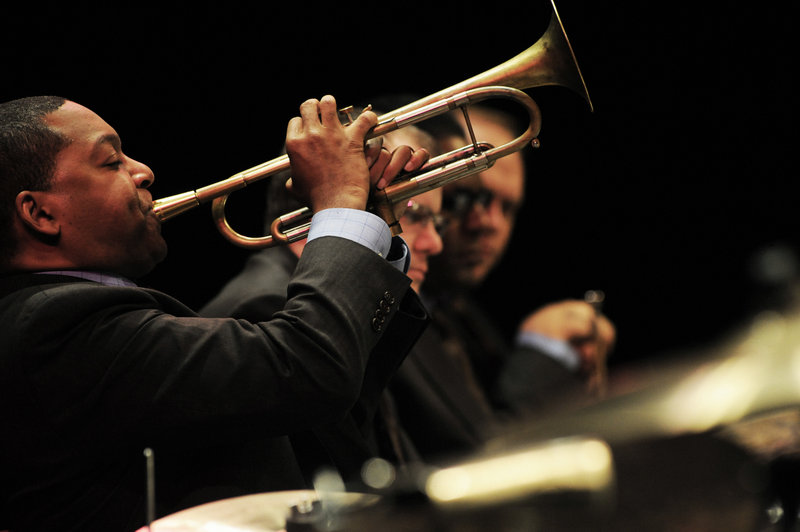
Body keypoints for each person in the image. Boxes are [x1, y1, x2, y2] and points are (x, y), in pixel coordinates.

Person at [0, 95, 430, 532]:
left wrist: (365, 220)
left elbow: (320, 427)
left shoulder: (71, 319)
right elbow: (305, 369)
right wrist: (339, 203)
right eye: (112, 161)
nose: (143, 171)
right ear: (40, 213)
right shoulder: (53, 328)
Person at [200, 120, 446, 481]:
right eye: (415, 213)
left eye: (437, 220)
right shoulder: (267, 307)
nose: (434, 243)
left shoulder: (294, 295)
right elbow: (341, 476)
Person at [388, 103, 617, 461]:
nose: (487, 223)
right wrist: (544, 354)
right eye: (465, 197)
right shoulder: (384, 314)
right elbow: (478, 461)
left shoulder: (460, 312)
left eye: (506, 208)